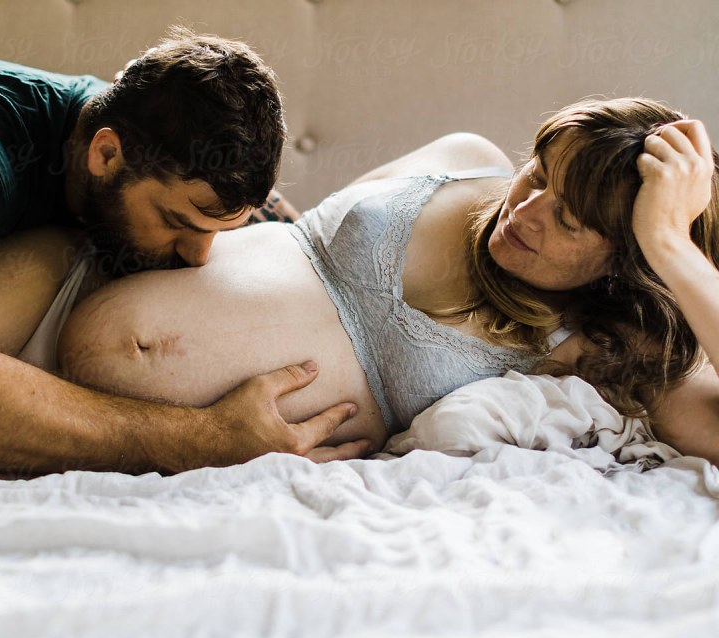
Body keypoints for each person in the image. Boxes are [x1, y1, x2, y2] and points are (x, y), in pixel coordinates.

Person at [47, 96, 718, 474]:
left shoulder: (605, 346)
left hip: (114, 438)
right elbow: (295, 227)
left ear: (625, 260)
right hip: (75, 279)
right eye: (538, 175)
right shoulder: (466, 159)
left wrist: (670, 244)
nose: (525, 212)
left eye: (567, 219)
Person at [0, 27, 365, 487]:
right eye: (176, 222)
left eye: (217, 232)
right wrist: (201, 439)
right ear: (105, 154)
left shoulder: (155, 144)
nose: (198, 256)